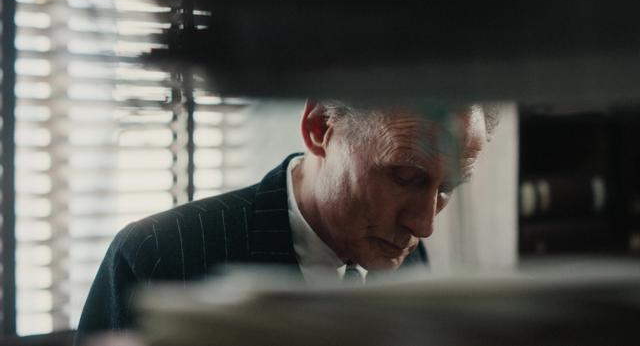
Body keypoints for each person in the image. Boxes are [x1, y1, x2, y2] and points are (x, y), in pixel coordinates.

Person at [76, 99, 496, 336]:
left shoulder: (405, 253)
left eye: (447, 189)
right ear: (319, 128)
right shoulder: (155, 254)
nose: (424, 225)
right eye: (403, 177)